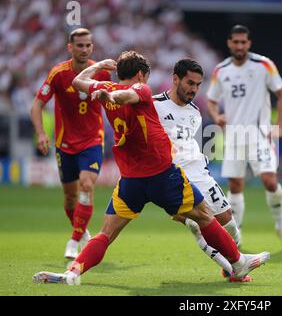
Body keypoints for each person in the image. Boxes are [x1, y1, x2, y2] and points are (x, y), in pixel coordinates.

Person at [32, 51, 269, 285]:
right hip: (161, 174)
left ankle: (72, 273)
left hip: (130, 180)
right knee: (204, 217)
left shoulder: (105, 87)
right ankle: (238, 264)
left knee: (106, 233)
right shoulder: (142, 90)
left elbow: (77, 81)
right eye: (145, 76)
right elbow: (129, 95)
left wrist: (99, 70)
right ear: (140, 74)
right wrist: (115, 97)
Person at [153, 58, 244, 281]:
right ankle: (234, 268)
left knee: (229, 221)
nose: (194, 89)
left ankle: (232, 261)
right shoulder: (154, 105)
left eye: (197, 85)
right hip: (172, 177)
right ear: (175, 79)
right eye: (190, 83)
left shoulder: (195, 113)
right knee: (197, 224)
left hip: (199, 173)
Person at [207, 25, 282, 251]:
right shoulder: (221, 70)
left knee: (269, 180)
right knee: (236, 186)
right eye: (235, 42)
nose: (239, 46)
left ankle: (281, 227)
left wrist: (280, 125)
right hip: (234, 136)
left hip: (259, 134)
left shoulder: (263, 65)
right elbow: (211, 100)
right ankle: (236, 236)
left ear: (249, 43)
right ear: (229, 43)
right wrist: (216, 116)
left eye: (243, 42)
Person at [30, 28, 111, 259]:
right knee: (70, 197)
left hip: (92, 141)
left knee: (87, 185)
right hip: (64, 145)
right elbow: (36, 105)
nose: (84, 49)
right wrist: (41, 133)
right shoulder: (58, 74)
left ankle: (73, 241)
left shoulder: (101, 73)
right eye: (79, 45)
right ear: (70, 48)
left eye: (87, 45)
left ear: (92, 47)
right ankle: (82, 231)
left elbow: (112, 103)